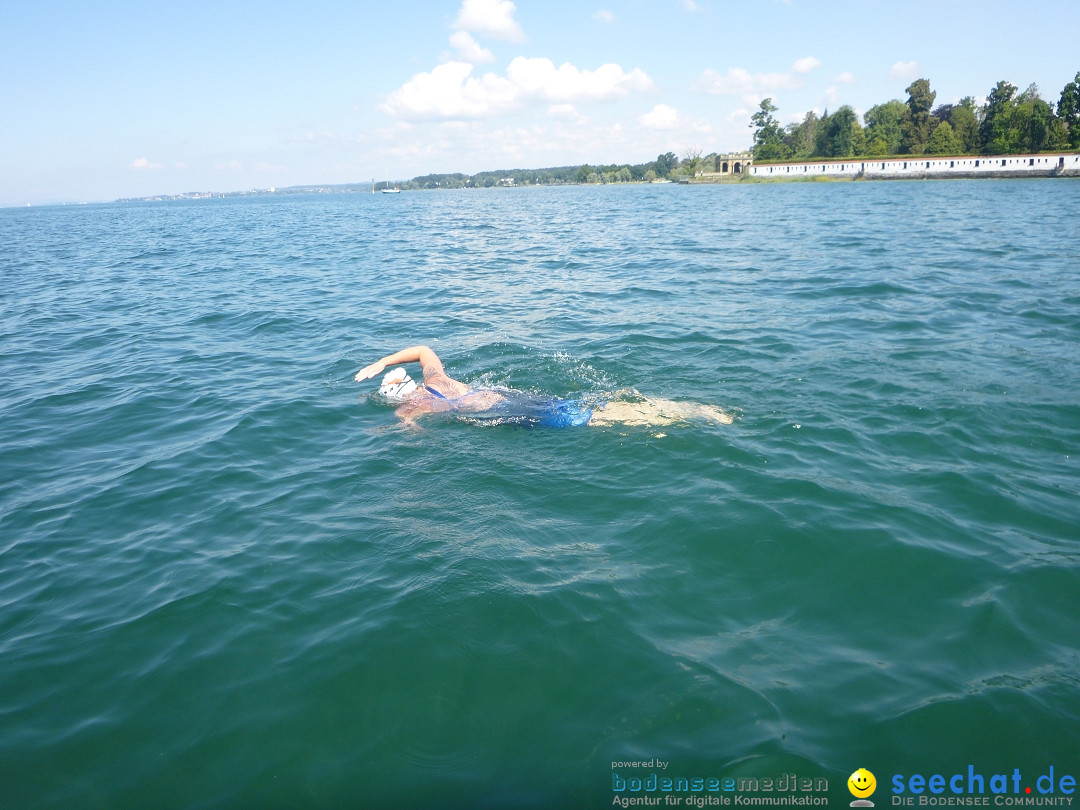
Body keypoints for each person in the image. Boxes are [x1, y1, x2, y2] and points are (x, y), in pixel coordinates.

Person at [354, 345, 733, 428]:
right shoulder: (436, 379)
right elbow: (422, 349)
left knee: (590, 419)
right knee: (584, 403)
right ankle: (679, 408)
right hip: (504, 395)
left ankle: (667, 420)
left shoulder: (412, 407)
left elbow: (410, 433)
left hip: (501, 411)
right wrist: (381, 362)